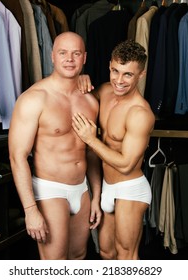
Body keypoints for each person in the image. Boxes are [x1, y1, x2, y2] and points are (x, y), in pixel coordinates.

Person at [8, 31, 102, 260]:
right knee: (55, 264)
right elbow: (17, 156)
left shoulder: (90, 100)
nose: (69, 59)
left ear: (84, 58)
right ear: (52, 56)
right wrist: (30, 210)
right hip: (50, 189)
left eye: (76, 53)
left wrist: (96, 196)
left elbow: (91, 153)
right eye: (63, 53)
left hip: (81, 190)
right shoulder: (34, 98)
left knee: (79, 256)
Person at [72, 39, 155, 260]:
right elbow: (81, 98)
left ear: (141, 75)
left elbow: (127, 164)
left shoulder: (140, 113)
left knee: (126, 256)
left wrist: (91, 139)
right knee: (107, 252)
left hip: (130, 189)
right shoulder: (105, 91)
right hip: (107, 186)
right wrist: (80, 79)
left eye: (128, 75)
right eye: (115, 71)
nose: (119, 80)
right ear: (109, 65)